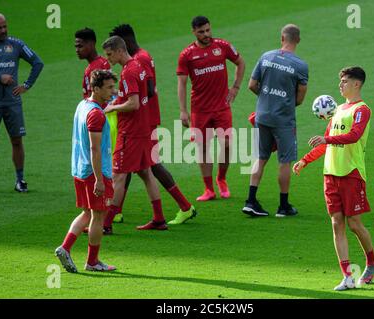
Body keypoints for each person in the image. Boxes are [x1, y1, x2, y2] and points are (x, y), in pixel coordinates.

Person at [293, 66, 374, 291]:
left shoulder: (362, 110)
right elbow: (326, 142)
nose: (340, 85)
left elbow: (354, 136)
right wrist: (305, 160)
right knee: (336, 223)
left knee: (355, 224)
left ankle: (370, 264)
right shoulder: (338, 109)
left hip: (351, 174)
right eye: (340, 81)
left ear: (356, 84)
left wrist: (327, 140)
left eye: (345, 81)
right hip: (331, 174)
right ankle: (347, 276)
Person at [106, 24, 196, 226]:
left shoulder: (138, 61)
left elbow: (147, 90)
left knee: (140, 166)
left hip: (143, 122)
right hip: (145, 120)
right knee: (142, 168)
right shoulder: (141, 57)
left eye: (114, 49)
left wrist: (120, 101)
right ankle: (160, 213)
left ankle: (184, 206)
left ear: (124, 44)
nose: (110, 56)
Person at [102, 36, 168, 232]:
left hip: (130, 132)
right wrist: (119, 100)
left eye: (110, 54)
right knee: (146, 172)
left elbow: (134, 103)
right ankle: (159, 218)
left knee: (118, 176)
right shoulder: (138, 66)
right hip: (143, 129)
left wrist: (112, 108)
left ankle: (105, 224)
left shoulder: (129, 72)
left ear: (120, 51)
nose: (108, 59)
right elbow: (144, 94)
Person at [242, 24, 308, 217]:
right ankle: (283, 206)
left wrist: (266, 99)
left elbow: (252, 85)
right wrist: (284, 103)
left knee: (261, 158)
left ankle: (251, 201)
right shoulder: (300, 65)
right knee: (285, 161)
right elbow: (300, 98)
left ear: (281, 38)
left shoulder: (266, 57)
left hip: (262, 115)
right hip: (283, 119)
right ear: (298, 40)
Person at [55, 69, 117, 273]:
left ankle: (65, 248)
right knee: (98, 216)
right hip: (93, 173)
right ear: (96, 88)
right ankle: (92, 262)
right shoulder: (96, 114)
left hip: (79, 169)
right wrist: (100, 179)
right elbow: (95, 148)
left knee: (87, 212)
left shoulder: (82, 105)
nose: (112, 91)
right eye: (108, 88)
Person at [177, 16, 245, 201]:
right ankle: (208, 189)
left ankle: (221, 179)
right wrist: (183, 111)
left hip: (222, 108)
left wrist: (235, 87)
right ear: (194, 32)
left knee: (228, 144)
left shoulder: (222, 46)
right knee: (203, 148)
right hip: (199, 110)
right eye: (201, 32)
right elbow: (182, 84)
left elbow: (241, 63)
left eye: (208, 30)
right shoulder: (187, 55)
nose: (206, 34)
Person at [0, 13, 44, 193]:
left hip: (12, 102)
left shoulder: (16, 44)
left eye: (5, 26)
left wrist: (26, 85)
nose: (3, 30)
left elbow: (37, 63)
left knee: (17, 141)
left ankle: (20, 180)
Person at [74, 27, 110, 99]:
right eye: (76, 47)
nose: (77, 50)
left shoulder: (93, 70)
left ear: (91, 44)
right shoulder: (103, 61)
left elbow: (93, 98)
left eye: (80, 46)